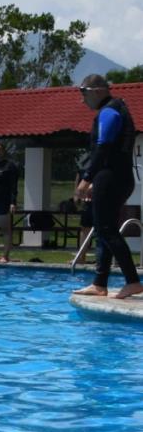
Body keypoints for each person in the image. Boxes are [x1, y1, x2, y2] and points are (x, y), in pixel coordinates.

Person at [72, 74, 143, 299]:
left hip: (111, 177)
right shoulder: (115, 109)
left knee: (107, 230)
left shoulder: (109, 112)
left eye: (84, 93)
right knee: (104, 229)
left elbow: (103, 149)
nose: (82, 100)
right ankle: (100, 283)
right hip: (117, 177)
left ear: (97, 91)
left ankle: (132, 281)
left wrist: (87, 178)